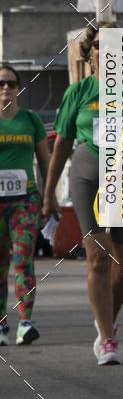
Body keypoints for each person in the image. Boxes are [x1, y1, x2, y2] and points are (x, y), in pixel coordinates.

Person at [43, 24, 123, 365]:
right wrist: (49, 192)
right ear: (91, 52)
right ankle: (108, 339)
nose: (107, 50)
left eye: (115, 44)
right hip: (87, 172)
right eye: (100, 44)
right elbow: (62, 144)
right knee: (99, 256)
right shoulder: (80, 91)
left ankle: (105, 320)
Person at [0, 64, 53, 345]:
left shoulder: (30, 120)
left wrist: (49, 195)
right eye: (0, 84)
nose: (5, 88)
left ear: (18, 87)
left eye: (10, 83)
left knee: (23, 261)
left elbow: (45, 161)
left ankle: (25, 322)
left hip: (25, 202)